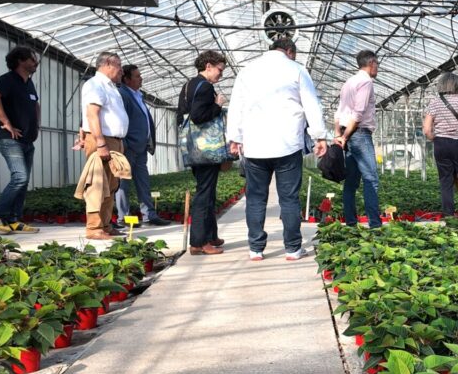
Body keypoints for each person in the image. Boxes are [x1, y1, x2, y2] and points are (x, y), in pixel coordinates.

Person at [227, 37, 327, 261]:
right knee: (289, 198)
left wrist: (234, 137)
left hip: (255, 146)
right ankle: (293, 249)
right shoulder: (297, 70)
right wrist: (319, 136)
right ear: (289, 51)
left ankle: (256, 249)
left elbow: (236, 107)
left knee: (255, 198)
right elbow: (311, 104)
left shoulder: (247, 71)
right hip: (287, 145)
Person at [0, 46, 41, 235]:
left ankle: (14, 220)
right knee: (20, 177)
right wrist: (6, 122)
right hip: (9, 139)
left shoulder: (29, 83)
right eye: (32, 59)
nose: (36, 62)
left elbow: (36, 104)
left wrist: (36, 126)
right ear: (20, 61)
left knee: (23, 182)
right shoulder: (7, 80)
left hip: (27, 140)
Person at [179, 50, 229, 255]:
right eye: (219, 70)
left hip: (193, 148)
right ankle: (199, 242)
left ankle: (211, 235)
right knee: (204, 194)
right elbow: (199, 116)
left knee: (207, 191)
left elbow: (184, 117)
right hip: (206, 149)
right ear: (208, 66)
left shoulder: (188, 85)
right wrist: (217, 105)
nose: (221, 74)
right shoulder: (205, 87)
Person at [80, 52, 129, 240]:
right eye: (119, 66)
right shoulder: (95, 84)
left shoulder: (111, 87)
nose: (122, 71)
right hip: (102, 140)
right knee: (98, 184)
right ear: (108, 63)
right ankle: (94, 228)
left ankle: (106, 225)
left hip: (115, 141)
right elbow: (92, 114)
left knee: (112, 185)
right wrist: (100, 143)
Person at [115, 65, 170, 227]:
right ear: (127, 79)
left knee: (143, 183)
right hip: (129, 148)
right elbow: (120, 121)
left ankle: (149, 215)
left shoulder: (137, 95)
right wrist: (125, 144)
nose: (141, 79)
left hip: (140, 148)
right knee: (123, 183)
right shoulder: (123, 94)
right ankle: (123, 218)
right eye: (137, 76)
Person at [422, 72, 458, 221]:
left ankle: (449, 217)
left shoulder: (434, 103)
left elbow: (426, 130)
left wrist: (435, 138)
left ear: (441, 85)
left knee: (445, 181)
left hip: (441, 144)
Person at [335, 49, 381, 229]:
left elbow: (339, 113)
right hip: (359, 134)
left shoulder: (349, 82)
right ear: (371, 63)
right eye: (377, 64)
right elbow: (358, 112)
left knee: (351, 182)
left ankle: (351, 223)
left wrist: (339, 135)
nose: (377, 68)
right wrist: (345, 136)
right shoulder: (366, 82)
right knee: (371, 179)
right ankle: (375, 225)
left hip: (348, 134)